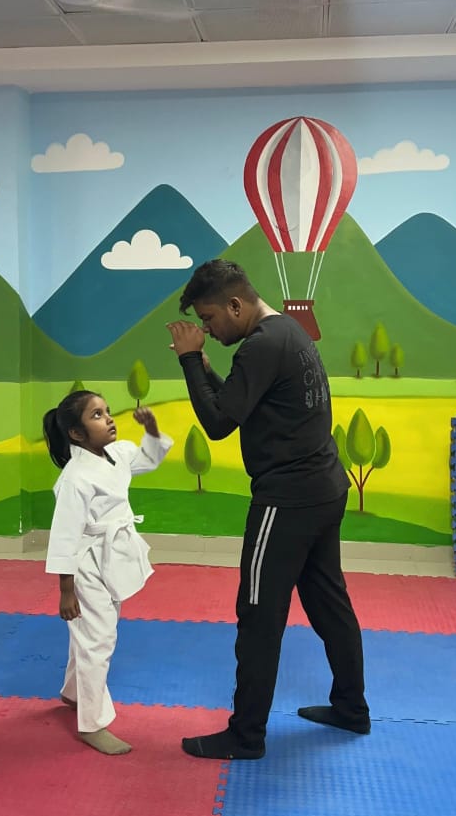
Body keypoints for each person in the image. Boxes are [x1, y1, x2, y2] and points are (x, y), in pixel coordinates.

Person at [166, 260, 370, 760]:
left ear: (236, 305)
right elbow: (241, 401)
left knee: (258, 614)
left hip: (287, 500)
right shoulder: (287, 332)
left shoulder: (260, 345)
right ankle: (351, 708)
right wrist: (208, 370)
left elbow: (218, 423)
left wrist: (189, 360)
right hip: (324, 488)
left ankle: (246, 736)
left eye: (210, 319)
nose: (208, 330)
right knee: (328, 604)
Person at [43, 390, 173, 756]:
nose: (109, 418)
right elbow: (65, 536)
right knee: (98, 640)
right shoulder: (75, 479)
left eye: (107, 411)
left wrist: (152, 430)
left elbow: (148, 459)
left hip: (112, 557)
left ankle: (74, 692)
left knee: (91, 634)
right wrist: (66, 590)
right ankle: (93, 723)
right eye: (96, 415)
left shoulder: (116, 454)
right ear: (76, 434)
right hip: (86, 566)